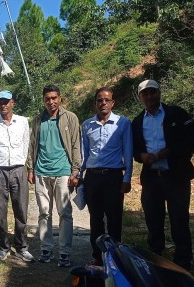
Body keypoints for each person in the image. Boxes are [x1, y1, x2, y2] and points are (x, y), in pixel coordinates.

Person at [132, 79, 194, 270]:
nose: (149, 96)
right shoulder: (137, 121)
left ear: (159, 93)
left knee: (179, 220)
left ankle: (183, 261)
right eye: (145, 93)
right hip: (152, 178)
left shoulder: (176, 114)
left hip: (176, 176)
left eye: (152, 92)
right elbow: (135, 149)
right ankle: (155, 258)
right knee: (153, 220)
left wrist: (169, 151)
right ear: (140, 97)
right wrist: (141, 156)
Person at [26, 84, 81, 268]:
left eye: (54, 98)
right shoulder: (37, 120)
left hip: (63, 172)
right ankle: (46, 249)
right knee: (44, 212)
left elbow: (75, 145)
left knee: (65, 213)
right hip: (42, 172)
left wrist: (75, 170)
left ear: (60, 98)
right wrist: (31, 169)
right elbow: (32, 145)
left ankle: (64, 252)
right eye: (47, 98)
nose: (51, 102)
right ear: (43, 100)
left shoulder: (70, 118)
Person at [80, 86, 133, 266]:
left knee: (114, 218)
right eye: (99, 100)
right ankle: (97, 256)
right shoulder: (87, 125)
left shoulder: (123, 123)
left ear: (112, 103)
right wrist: (79, 176)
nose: (103, 103)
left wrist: (127, 178)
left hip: (113, 177)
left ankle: (115, 256)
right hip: (93, 178)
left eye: (107, 100)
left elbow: (128, 151)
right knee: (95, 219)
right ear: (95, 103)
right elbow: (84, 154)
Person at [0, 90, 34, 262]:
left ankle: (22, 246)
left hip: (18, 169)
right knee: (0, 210)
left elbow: (27, 145)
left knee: (21, 209)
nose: (3, 105)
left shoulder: (22, 122)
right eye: (0, 102)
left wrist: (29, 168)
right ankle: (4, 246)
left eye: (6, 101)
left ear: (12, 102)